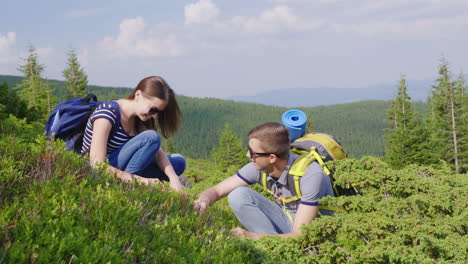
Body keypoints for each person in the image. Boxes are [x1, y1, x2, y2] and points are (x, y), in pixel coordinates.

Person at [193, 122, 334, 239]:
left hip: (317, 233)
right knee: (238, 195)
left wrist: (251, 236)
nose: (247, 155)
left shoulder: (311, 175)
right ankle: (273, 251)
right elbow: (217, 191)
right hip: (288, 221)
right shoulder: (258, 167)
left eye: (253, 152)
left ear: (271, 158)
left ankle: (274, 249)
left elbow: (300, 235)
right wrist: (204, 200)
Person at [81, 76, 186, 193]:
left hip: (123, 169)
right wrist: (141, 181)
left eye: (158, 113)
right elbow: (96, 165)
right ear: (138, 95)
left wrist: (174, 180)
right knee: (151, 138)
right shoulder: (107, 113)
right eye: (153, 109)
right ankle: (124, 190)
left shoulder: (138, 119)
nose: (155, 116)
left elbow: (158, 153)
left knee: (178, 162)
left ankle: (130, 184)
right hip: (101, 172)